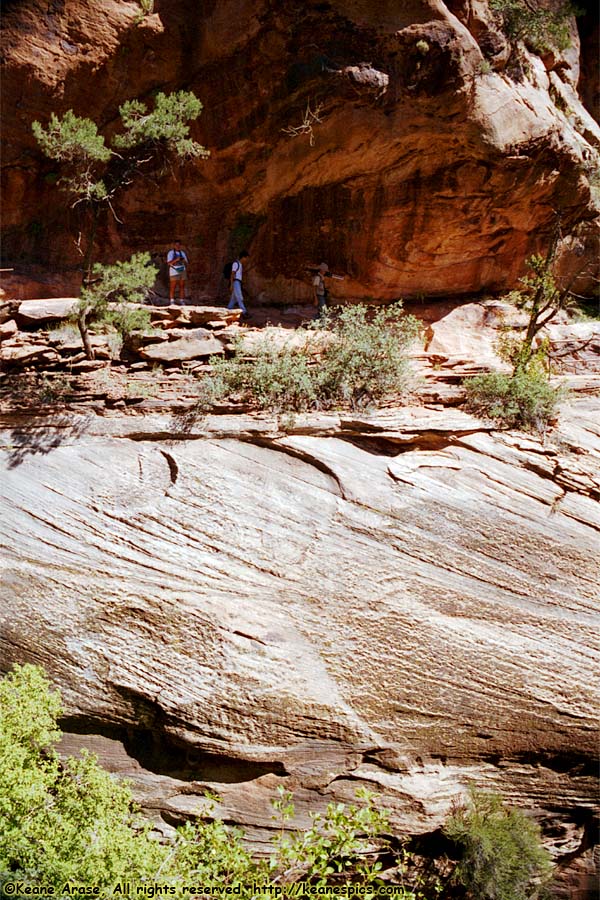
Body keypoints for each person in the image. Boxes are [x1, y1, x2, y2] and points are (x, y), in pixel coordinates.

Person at [167, 240, 189, 305]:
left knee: (182, 286)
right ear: (174, 246)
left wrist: (184, 260)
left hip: (182, 269)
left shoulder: (182, 253)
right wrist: (177, 259)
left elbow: (186, 262)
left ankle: (181, 300)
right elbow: (169, 263)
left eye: (179, 245)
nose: (178, 246)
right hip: (174, 270)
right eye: (176, 245)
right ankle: (171, 301)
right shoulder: (170, 253)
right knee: (172, 286)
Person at [228, 250, 250, 316]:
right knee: (240, 298)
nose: (246, 260)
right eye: (246, 258)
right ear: (243, 257)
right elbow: (232, 274)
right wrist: (231, 284)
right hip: (236, 282)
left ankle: (228, 310)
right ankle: (244, 312)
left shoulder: (240, 265)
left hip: (238, 282)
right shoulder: (236, 264)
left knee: (233, 299)